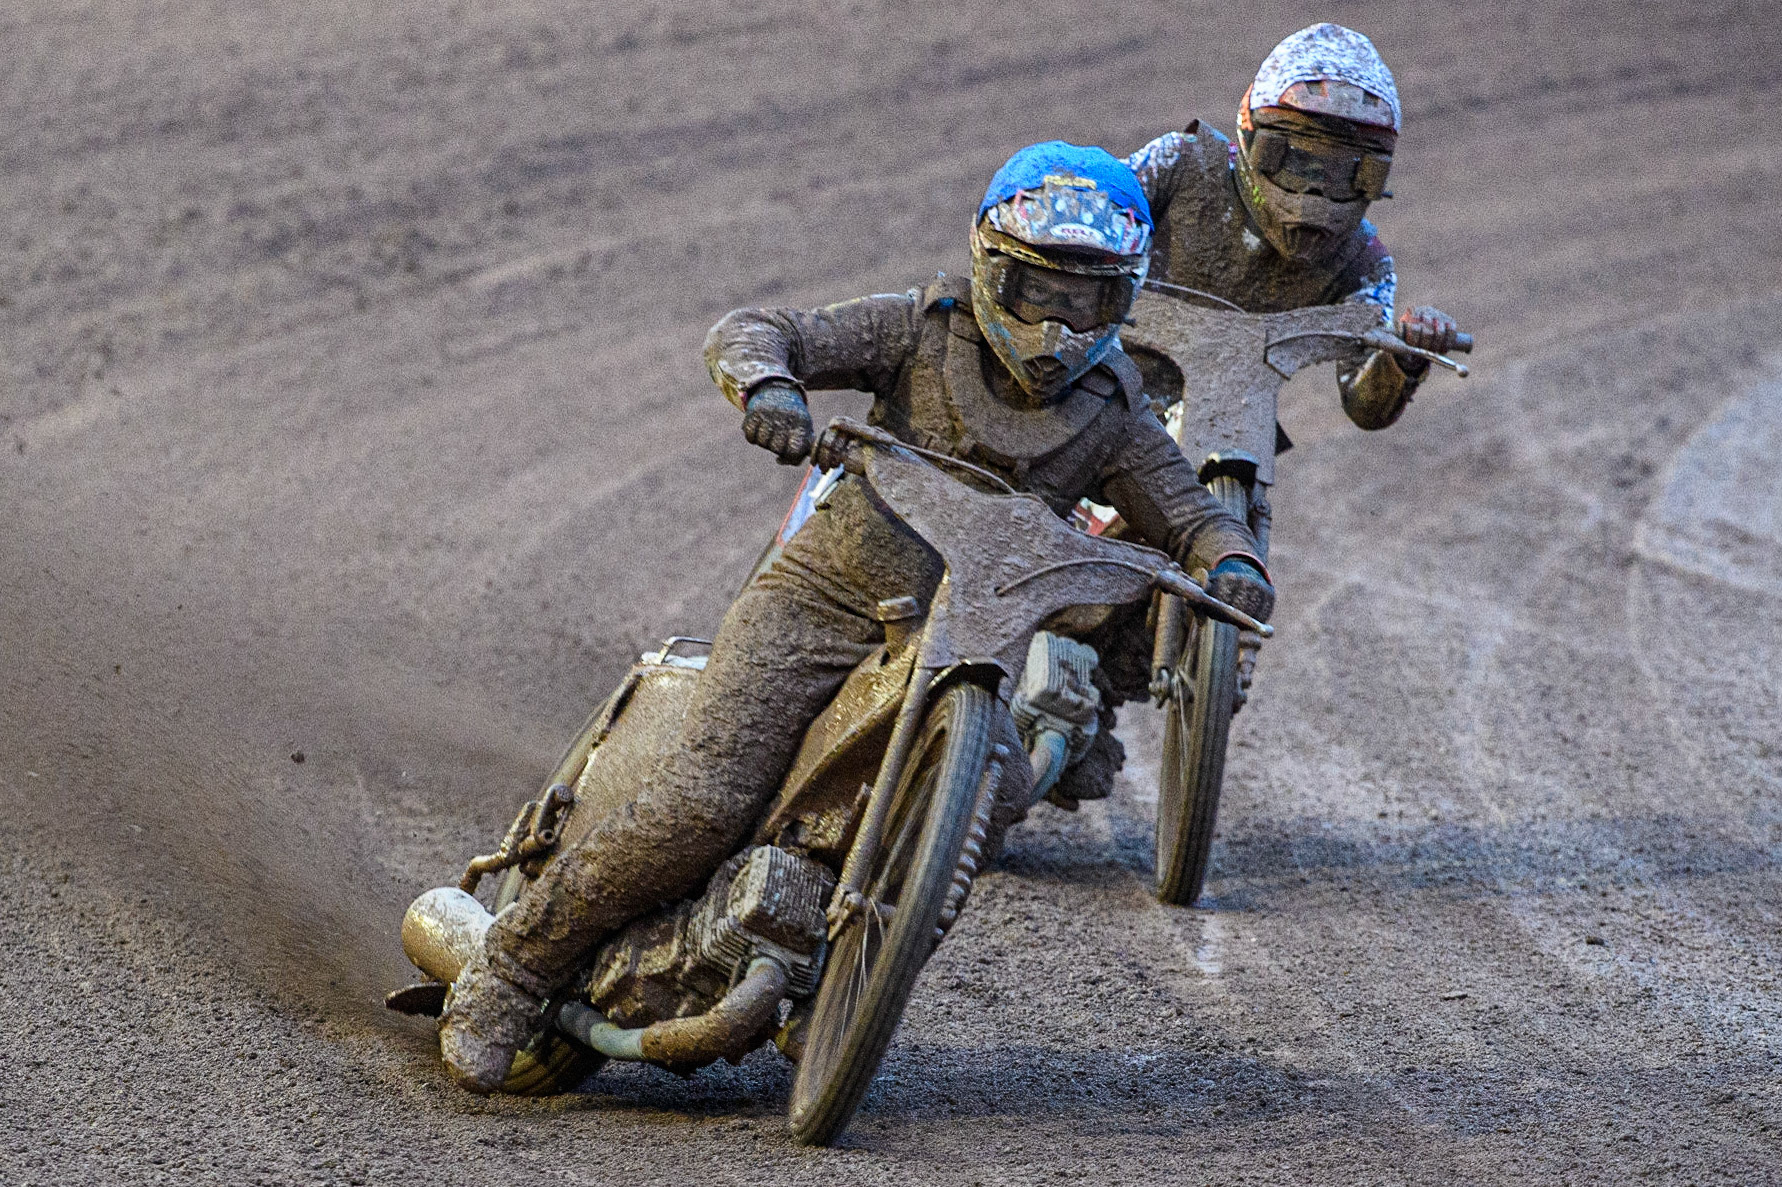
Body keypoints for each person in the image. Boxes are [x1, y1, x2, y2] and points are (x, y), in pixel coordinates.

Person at [437, 142, 1275, 1092]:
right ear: (990, 266)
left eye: (1087, 301)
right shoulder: (918, 330)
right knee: (702, 805)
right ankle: (512, 968)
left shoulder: (1117, 413)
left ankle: (845, 979)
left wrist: (1234, 559)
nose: (1056, 326)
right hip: (824, 599)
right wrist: (768, 389)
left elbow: (1192, 511)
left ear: (1124, 301)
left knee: (990, 796)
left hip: (969, 637)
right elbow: (761, 328)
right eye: (1038, 289)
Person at [1044, 23, 1465, 808]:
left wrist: (1403, 354)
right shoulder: (1179, 164)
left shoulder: (1364, 263)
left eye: (1345, 173)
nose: (1312, 196)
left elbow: (1362, 401)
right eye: (1293, 161)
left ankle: (1094, 698)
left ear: (1376, 180)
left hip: (1228, 440)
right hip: (1096, 401)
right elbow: (1083, 227)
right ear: (1248, 136)